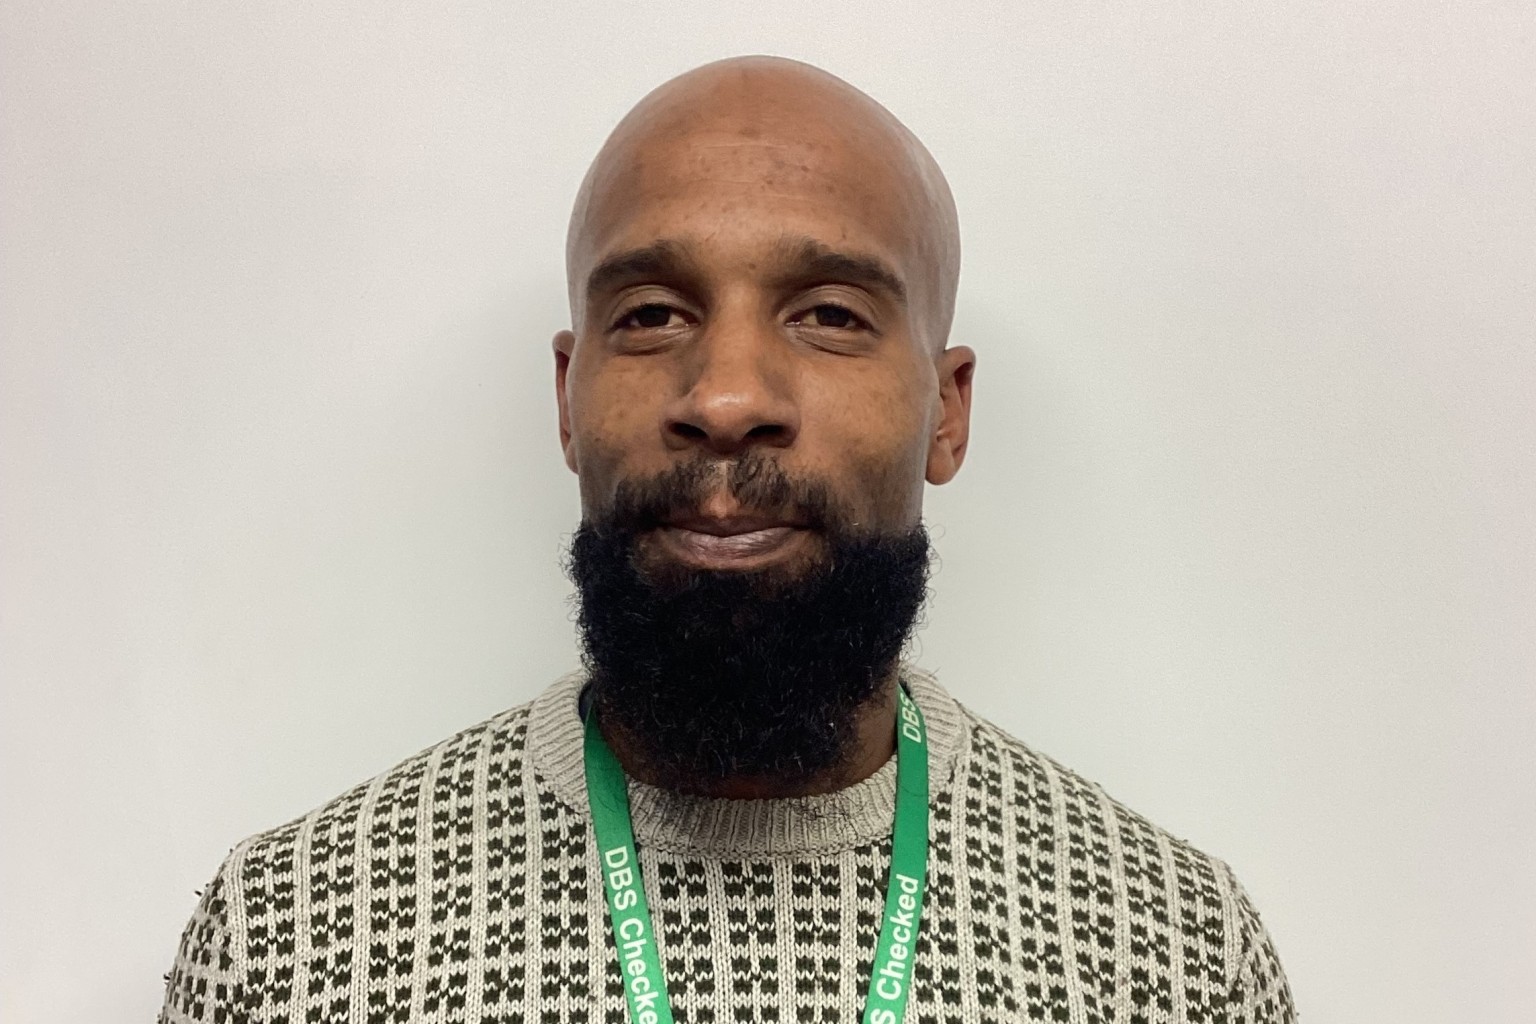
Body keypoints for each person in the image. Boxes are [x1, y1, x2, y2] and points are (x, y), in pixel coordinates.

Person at [161, 55, 1295, 1023]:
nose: (727, 396)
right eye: (652, 314)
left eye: (831, 315)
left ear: (946, 413)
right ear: (567, 400)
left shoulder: (1177, 958)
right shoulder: (296, 938)